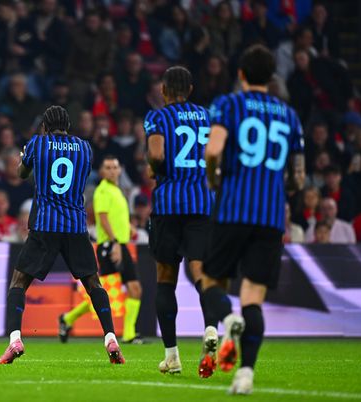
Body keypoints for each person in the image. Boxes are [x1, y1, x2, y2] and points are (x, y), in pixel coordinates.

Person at [202, 45, 305, 394]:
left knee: (210, 278)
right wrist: (280, 187)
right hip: (270, 215)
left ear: (241, 74)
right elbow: (299, 177)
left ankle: (228, 319)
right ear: (272, 77)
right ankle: (245, 372)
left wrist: (215, 178)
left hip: (233, 208)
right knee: (254, 295)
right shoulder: (289, 115)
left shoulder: (228, 104)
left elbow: (214, 150)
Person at [0, 106, 125, 365]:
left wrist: (24, 157)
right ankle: (110, 337)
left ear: (44, 127)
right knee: (93, 285)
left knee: (19, 283)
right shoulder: (85, 148)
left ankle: (15, 340)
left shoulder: (38, 143)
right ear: (69, 126)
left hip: (45, 225)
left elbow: (22, 174)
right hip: (76, 227)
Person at [143, 66, 214, 376]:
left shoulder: (157, 117)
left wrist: (152, 168)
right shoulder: (208, 117)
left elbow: (156, 156)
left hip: (169, 203)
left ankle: (172, 356)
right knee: (200, 270)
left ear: (164, 90)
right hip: (202, 202)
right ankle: (211, 328)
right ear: (191, 89)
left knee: (165, 277)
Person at [59, 155, 143, 344]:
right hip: (111, 246)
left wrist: (129, 228)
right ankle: (68, 319)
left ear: (120, 170)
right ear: (102, 172)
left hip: (120, 244)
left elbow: (115, 216)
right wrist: (114, 242)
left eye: (115, 167)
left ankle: (128, 334)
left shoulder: (116, 190)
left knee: (132, 289)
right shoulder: (103, 191)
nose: (113, 170)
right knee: (105, 293)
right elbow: (103, 219)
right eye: (108, 167)